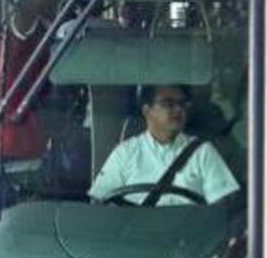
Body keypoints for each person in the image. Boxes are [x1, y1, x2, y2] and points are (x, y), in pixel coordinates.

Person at [0, 0, 59, 218]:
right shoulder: (19, 37)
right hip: (6, 149)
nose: (58, 5)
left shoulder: (52, 35)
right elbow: (25, 15)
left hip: (30, 148)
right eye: (54, 0)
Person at [88, 84, 239, 206]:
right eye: (168, 104)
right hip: (136, 238)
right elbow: (99, 200)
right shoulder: (125, 152)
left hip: (188, 239)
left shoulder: (203, 152)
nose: (178, 110)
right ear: (147, 111)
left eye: (182, 104)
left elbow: (222, 208)